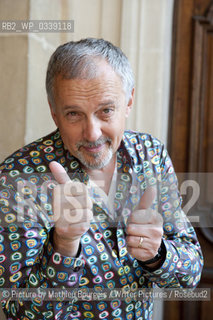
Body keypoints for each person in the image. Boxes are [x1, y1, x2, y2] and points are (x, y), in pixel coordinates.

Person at [0, 38, 203, 320]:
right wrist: (64, 244)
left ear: (129, 101)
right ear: (54, 113)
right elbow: (20, 312)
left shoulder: (150, 154)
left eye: (106, 110)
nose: (92, 133)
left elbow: (190, 276)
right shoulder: (17, 176)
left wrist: (157, 255)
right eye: (74, 114)